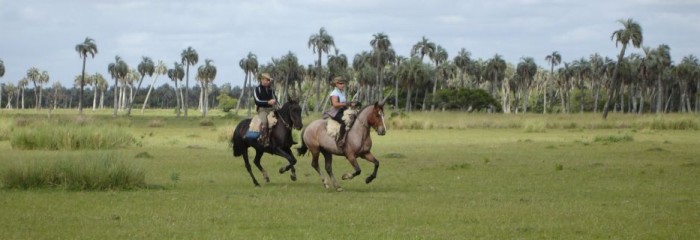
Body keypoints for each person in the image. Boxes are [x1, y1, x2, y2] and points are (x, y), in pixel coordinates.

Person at [326, 76, 356, 146]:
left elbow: (344, 103)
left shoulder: (342, 92)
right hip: (336, 112)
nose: (343, 85)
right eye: (341, 83)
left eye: (343, 83)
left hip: (343, 110)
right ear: (336, 84)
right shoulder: (334, 93)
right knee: (345, 121)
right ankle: (341, 139)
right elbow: (335, 104)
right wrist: (347, 103)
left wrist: (351, 104)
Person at [254, 73, 277, 146]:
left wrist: (279, 105)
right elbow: (257, 101)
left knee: (282, 118)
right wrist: (268, 102)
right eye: (267, 80)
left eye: (269, 80)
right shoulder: (257, 89)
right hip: (262, 109)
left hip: (272, 108)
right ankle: (264, 139)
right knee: (264, 121)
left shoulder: (271, 89)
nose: (268, 81)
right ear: (262, 80)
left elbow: (275, 99)